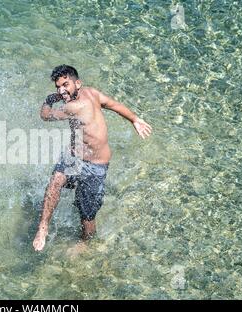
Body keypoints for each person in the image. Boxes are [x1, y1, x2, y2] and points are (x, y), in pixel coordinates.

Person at [32, 65, 152, 252]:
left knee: (87, 216)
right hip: (73, 156)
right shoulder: (91, 94)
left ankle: (86, 244)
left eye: (66, 85)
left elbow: (45, 115)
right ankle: (43, 227)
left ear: (77, 83)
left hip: (96, 166)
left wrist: (135, 120)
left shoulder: (74, 105)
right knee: (55, 181)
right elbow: (114, 105)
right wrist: (134, 119)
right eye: (58, 87)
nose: (61, 91)